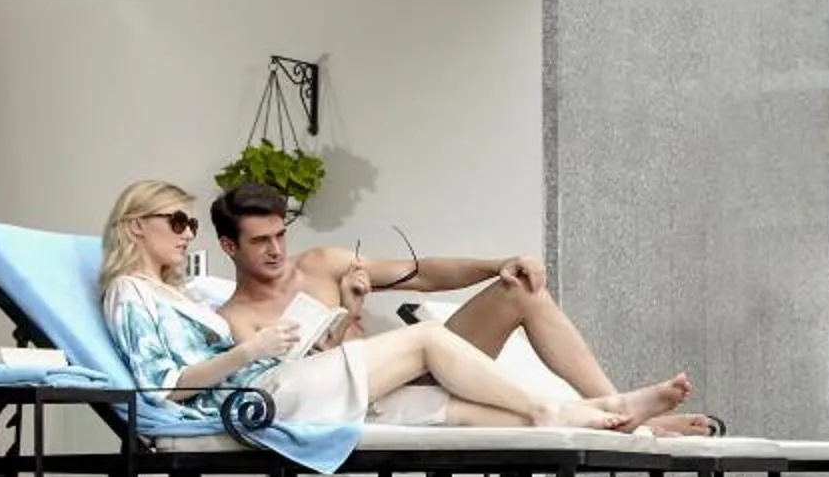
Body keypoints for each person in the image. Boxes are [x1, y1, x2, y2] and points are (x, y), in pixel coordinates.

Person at [98, 180, 653, 434]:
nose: (275, 250)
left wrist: (497, 262)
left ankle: (610, 402)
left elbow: (426, 273)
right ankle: (596, 416)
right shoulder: (229, 317)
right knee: (442, 373)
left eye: (279, 236)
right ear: (229, 248)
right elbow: (185, 380)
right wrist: (349, 313)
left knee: (520, 288)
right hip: (371, 390)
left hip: (404, 378)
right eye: (177, 222)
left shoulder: (318, 264)